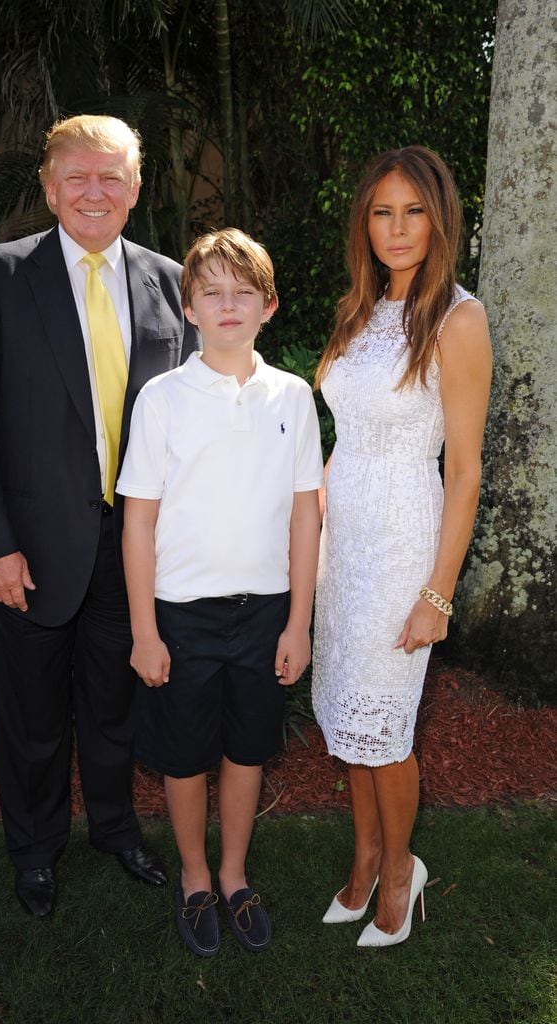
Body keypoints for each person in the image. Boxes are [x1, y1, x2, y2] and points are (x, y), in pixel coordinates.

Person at [0, 114, 199, 917]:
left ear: (135, 187)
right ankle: (35, 849)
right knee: (31, 714)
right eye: (79, 177)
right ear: (51, 188)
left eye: (112, 177)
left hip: (134, 545)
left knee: (116, 703)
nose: (96, 192)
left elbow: (189, 422)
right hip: (30, 546)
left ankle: (117, 831)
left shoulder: (168, 281)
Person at [116, 228, 323, 956]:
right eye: (212, 292)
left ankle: (235, 875)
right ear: (189, 308)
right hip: (179, 614)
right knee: (182, 754)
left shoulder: (293, 396)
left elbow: (306, 511)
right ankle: (195, 877)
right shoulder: (162, 398)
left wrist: (299, 622)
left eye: (244, 292)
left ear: (269, 306)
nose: (228, 304)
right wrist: (144, 629)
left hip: (265, 612)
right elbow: (137, 520)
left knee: (246, 750)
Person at [312, 145, 492, 947]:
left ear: (440, 217)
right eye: (382, 212)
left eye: (413, 211)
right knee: (350, 718)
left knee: (384, 729)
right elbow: (339, 439)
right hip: (342, 544)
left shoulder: (459, 317)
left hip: (401, 543)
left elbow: (465, 472)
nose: (397, 228)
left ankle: (399, 871)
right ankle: (362, 860)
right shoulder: (360, 308)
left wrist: (437, 592)